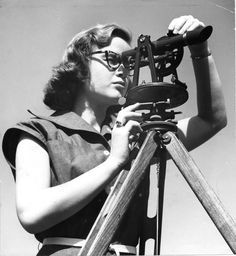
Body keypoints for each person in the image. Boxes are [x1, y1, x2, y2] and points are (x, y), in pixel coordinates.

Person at [2, 15, 227, 256]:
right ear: (80, 65)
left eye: (128, 63)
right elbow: (31, 214)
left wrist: (200, 50)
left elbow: (211, 119)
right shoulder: (39, 132)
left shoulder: (132, 133)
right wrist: (114, 162)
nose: (122, 69)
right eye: (111, 59)